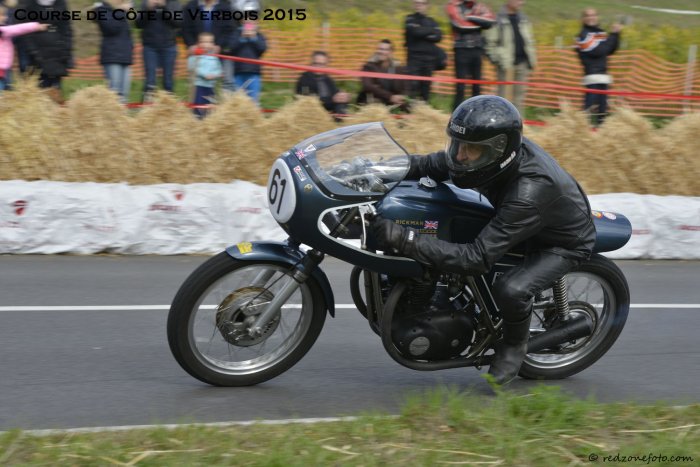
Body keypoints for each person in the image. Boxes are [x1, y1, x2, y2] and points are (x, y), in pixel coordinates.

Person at [370, 95, 595, 385]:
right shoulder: (481, 158)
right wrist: (377, 170)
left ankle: (514, 346)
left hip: (560, 241)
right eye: (458, 144)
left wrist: (405, 239)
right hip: (518, 219)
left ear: (498, 151)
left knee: (511, 289)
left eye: (471, 149)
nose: (460, 156)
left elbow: (475, 258)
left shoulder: (528, 192)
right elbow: (427, 164)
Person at [484, 0, 536, 114]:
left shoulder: (524, 19)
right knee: (503, 99)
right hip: (506, 65)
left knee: (519, 99)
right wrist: (499, 59)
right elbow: (490, 44)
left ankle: (518, 123)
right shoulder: (498, 20)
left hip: (523, 64)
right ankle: (502, 122)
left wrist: (531, 60)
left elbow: (529, 40)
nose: (521, 2)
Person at [19, 0, 73, 103]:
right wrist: (33, 51)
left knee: (56, 90)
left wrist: (66, 50)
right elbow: (27, 31)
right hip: (39, 54)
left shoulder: (60, 4)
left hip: (58, 53)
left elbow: (67, 29)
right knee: (41, 90)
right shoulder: (31, 5)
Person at [576, 8, 622, 126]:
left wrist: (616, 34)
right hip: (592, 77)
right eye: (588, 15)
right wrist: (613, 35)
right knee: (587, 111)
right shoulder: (583, 36)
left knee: (603, 112)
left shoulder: (600, 33)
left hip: (603, 77)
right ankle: (581, 131)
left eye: (593, 15)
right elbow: (600, 51)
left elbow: (611, 50)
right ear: (583, 19)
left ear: (597, 17)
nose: (591, 17)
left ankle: (599, 132)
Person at [446, 0, 495, 109]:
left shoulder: (480, 6)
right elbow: (460, 25)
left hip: (477, 50)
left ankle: (476, 114)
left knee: (477, 86)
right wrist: (479, 22)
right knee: (460, 87)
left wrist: (469, 17)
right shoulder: (453, 5)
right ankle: (456, 114)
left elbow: (490, 21)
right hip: (461, 50)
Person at [182, 0, 236, 91]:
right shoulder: (191, 6)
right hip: (198, 52)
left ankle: (227, 99)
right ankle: (200, 99)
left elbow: (230, 30)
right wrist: (191, 45)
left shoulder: (225, 7)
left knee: (228, 81)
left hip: (221, 52)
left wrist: (219, 46)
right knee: (198, 81)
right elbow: (185, 29)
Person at [135, 0, 182, 101]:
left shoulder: (174, 3)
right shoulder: (145, 3)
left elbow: (178, 23)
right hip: (150, 47)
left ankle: (169, 106)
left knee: (168, 82)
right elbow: (138, 24)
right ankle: (146, 107)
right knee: (150, 82)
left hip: (169, 46)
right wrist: (148, 10)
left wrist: (164, 7)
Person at [89, 1, 134, 103]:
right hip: (112, 56)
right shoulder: (101, 10)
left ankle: (122, 112)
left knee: (124, 95)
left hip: (125, 56)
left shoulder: (119, 12)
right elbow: (111, 28)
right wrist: (121, 11)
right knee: (113, 93)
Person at [0, 6, 47, 91]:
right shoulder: (2, 31)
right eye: (2, 15)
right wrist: (36, 26)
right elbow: (18, 28)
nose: (6, 17)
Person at [404, 0, 442, 102]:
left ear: (427, 5)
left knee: (426, 88)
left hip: (429, 59)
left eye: (422, 3)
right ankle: (409, 108)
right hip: (414, 59)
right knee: (413, 86)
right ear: (413, 4)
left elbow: (438, 36)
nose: (419, 5)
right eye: (417, 3)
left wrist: (422, 31)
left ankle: (423, 108)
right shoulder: (410, 18)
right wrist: (431, 30)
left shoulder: (432, 21)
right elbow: (415, 32)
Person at [356, 39, 409, 111]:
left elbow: (406, 85)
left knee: (409, 107)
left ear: (391, 52)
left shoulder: (398, 67)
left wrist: (403, 96)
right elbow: (368, 86)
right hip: (374, 103)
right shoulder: (368, 66)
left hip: (393, 103)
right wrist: (390, 97)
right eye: (380, 49)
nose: (381, 52)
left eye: (385, 50)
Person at [295, 51, 350, 117]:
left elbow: (335, 93)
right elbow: (306, 100)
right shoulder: (304, 79)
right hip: (314, 112)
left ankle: (340, 119)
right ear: (311, 63)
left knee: (342, 102)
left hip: (329, 110)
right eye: (316, 64)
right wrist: (332, 99)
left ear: (326, 65)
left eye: (322, 64)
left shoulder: (327, 79)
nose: (318, 67)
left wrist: (342, 96)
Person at [228, 19, 267, 103]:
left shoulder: (259, 35)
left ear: (256, 23)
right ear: (242, 22)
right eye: (246, 22)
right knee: (238, 99)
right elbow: (232, 48)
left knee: (253, 99)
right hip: (239, 72)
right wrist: (242, 38)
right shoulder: (236, 34)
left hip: (254, 72)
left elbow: (262, 49)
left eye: (252, 22)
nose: (249, 24)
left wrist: (254, 38)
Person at [188, 31, 222, 118]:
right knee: (198, 105)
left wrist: (214, 75)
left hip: (210, 86)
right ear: (199, 43)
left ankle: (208, 120)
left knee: (210, 105)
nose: (206, 45)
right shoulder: (195, 56)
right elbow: (192, 67)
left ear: (213, 44)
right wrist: (204, 74)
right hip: (199, 86)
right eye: (204, 42)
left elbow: (219, 69)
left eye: (209, 42)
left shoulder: (214, 58)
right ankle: (198, 119)